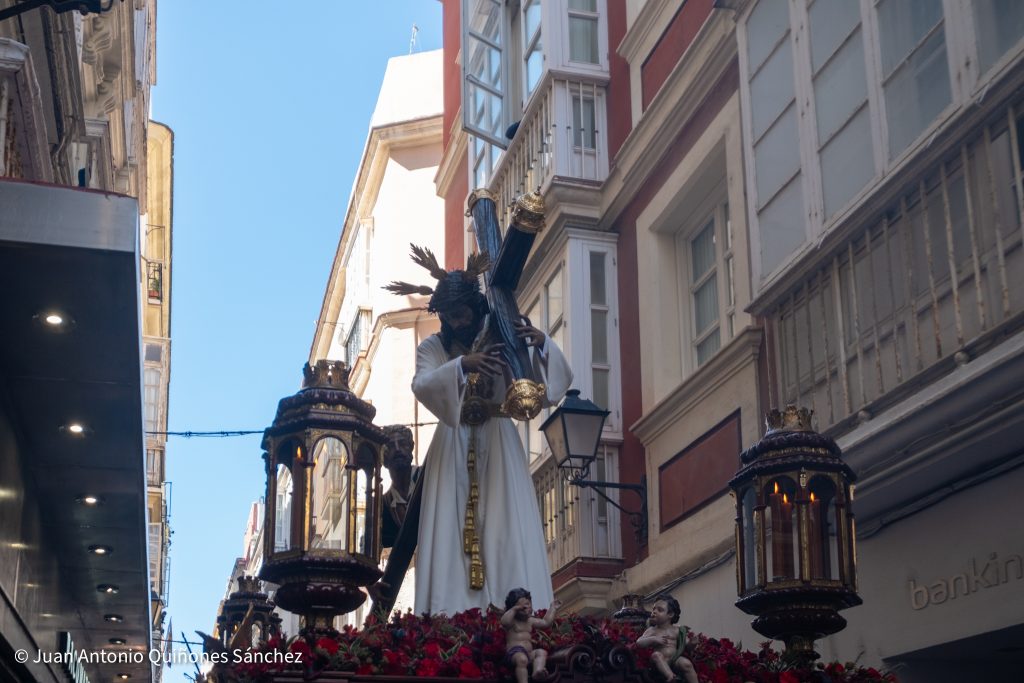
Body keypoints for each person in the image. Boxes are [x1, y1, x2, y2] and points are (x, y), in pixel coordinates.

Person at [385, 246, 572, 615]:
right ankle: (450, 615)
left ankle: (517, 607)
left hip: (499, 437)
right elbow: (422, 384)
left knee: (506, 521)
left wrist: (541, 345)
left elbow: (544, 387)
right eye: (449, 316)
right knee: (448, 526)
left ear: (475, 306)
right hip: (452, 441)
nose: (456, 322)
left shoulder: (503, 333)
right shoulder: (433, 346)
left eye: (461, 313)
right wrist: (462, 365)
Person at [501, 588, 560, 683]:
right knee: (522, 659)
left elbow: (546, 622)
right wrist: (514, 609)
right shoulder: (512, 622)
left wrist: (553, 608)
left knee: (541, 652)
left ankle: (537, 671)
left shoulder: (530, 621)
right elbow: (504, 622)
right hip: (514, 654)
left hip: (528, 654)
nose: (526, 608)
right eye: (522, 607)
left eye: (528, 604)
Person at [635, 595, 698, 683]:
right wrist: (654, 639)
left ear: (670, 614)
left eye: (660, 610)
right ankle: (671, 677)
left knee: (686, 663)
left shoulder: (677, 630)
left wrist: (693, 643)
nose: (654, 612)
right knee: (656, 655)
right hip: (658, 662)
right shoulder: (652, 630)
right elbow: (639, 642)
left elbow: (687, 646)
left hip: (674, 660)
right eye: (653, 609)